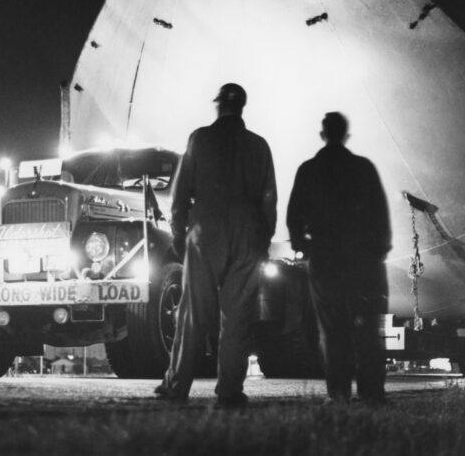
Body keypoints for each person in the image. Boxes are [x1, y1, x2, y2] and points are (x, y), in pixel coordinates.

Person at [155, 83, 277, 407]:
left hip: (206, 231)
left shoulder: (200, 139)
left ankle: (176, 385)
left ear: (218, 106)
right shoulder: (260, 146)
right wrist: (262, 241)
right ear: (242, 108)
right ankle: (229, 392)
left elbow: (179, 196)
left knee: (192, 312)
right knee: (237, 319)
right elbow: (269, 200)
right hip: (248, 234)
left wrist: (180, 236)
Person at [287, 112, 391, 404]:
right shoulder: (363, 168)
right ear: (346, 135)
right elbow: (379, 214)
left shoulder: (308, 170)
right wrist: (378, 252)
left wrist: (303, 247)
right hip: (362, 260)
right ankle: (372, 393)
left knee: (332, 330)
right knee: (367, 327)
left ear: (323, 135)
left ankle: (339, 394)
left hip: (325, 257)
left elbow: (294, 215)